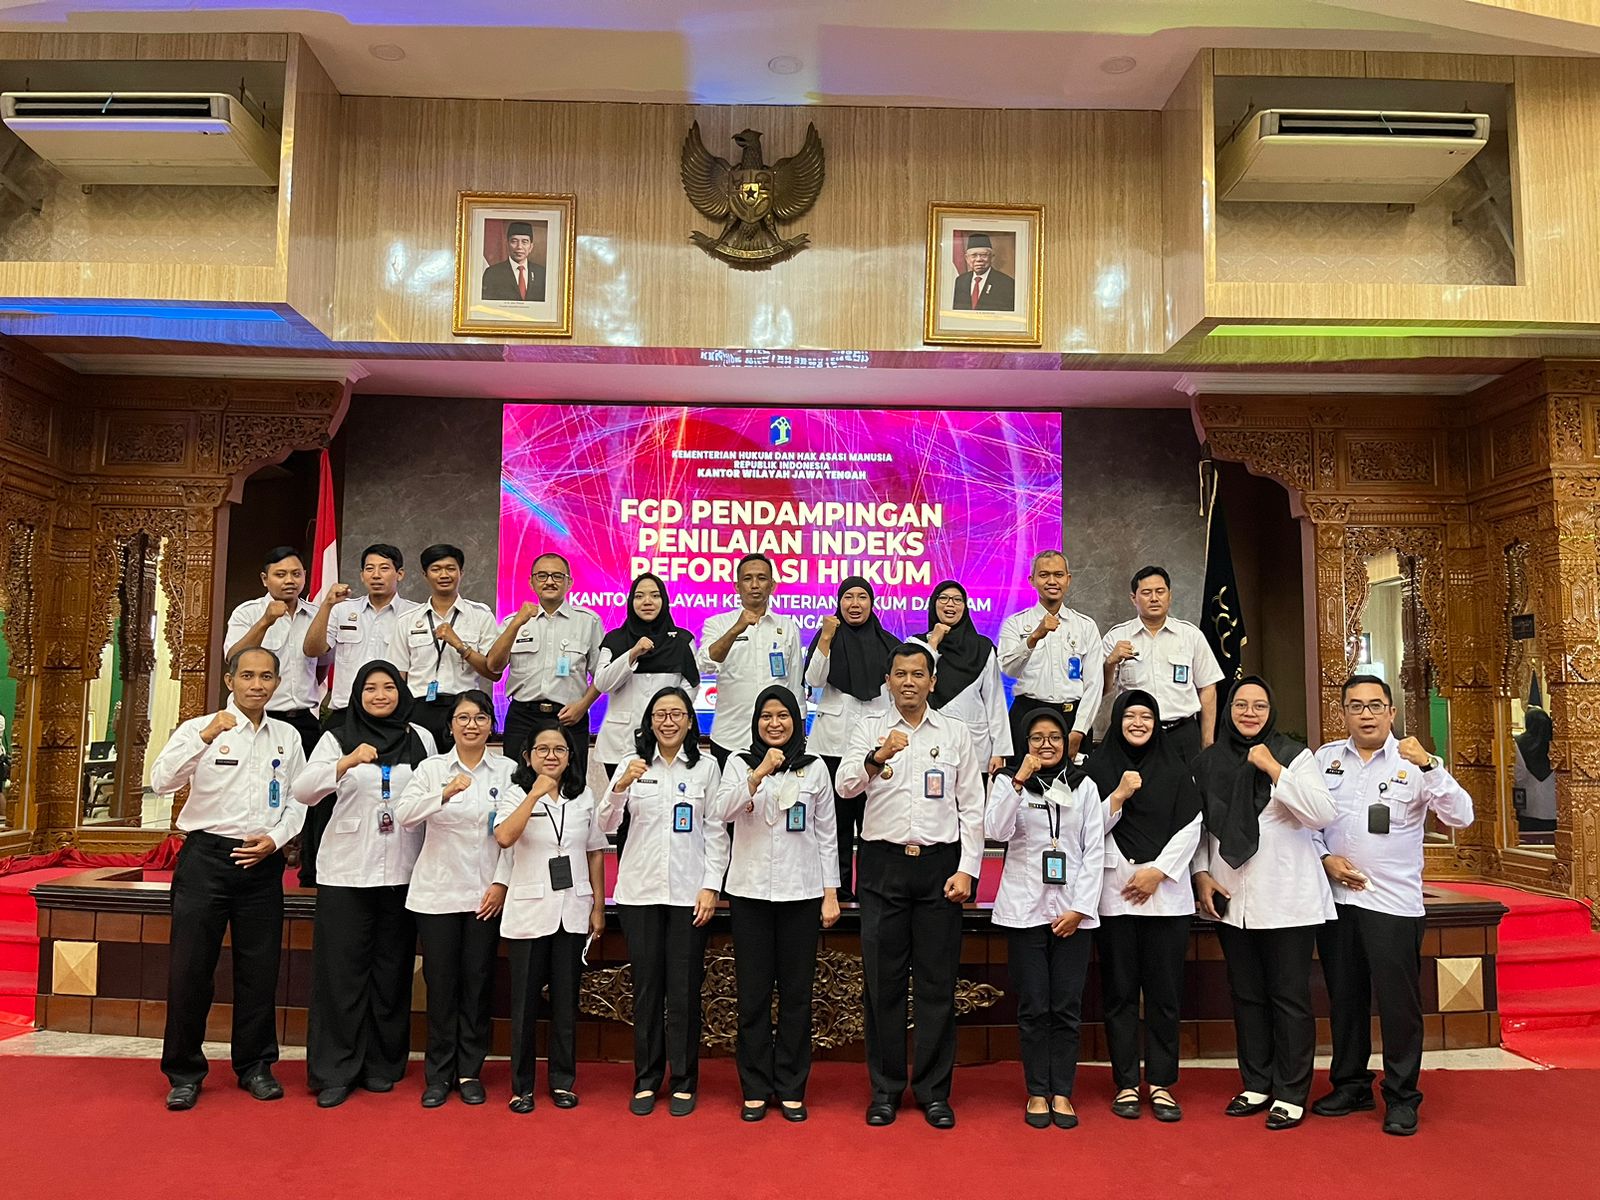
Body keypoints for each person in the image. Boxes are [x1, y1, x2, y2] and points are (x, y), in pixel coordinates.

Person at [1311, 674, 1474, 1136]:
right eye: (1356, 706)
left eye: (1375, 705)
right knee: (1345, 1000)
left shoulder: (1414, 762)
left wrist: (1430, 765)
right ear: (1343, 712)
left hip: (1392, 906)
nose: (1366, 714)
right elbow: (1306, 823)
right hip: (1337, 902)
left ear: (1391, 712)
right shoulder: (1326, 759)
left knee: (1399, 1006)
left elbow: (1461, 815)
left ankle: (1402, 1096)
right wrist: (1325, 859)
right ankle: (1350, 1085)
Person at [152, 647, 307, 1110]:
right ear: (230, 680)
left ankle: (255, 1066)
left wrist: (276, 840)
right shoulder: (200, 728)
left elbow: (299, 799)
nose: (257, 685)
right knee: (191, 970)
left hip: (262, 864)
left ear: (277, 683)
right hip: (207, 860)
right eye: (248, 676)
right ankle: (184, 1072)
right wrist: (204, 737)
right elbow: (161, 781)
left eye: (266, 677)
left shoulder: (287, 737)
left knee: (259, 971)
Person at [837, 643, 983, 1130]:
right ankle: (885, 1090)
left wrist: (968, 869)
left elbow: (972, 806)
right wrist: (876, 757)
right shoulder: (868, 728)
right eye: (900, 674)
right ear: (888, 681)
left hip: (940, 869)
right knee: (883, 984)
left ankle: (934, 1092)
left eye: (918, 674)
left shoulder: (955, 733)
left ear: (932, 682)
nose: (908, 682)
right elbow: (844, 786)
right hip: (883, 867)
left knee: (937, 985)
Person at [1191, 677, 1336, 1131]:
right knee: (1247, 995)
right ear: (1228, 710)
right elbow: (1200, 827)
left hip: (1288, 897)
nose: (1249, 713)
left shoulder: (1295, 756)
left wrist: (1274, 769)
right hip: (1232, 896)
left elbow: (1321, 814)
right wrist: (1201, 874)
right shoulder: (1208, 762)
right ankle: (1256, 1083)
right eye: (1240, 705)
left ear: (1270, 711)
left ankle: (1291, 1092)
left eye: (1259, 705)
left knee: (1288, 997)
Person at [292, 660, 435, 1108]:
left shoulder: (420, 737)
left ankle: (381, 1064)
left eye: (388, 687)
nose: (379, 695)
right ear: (357, 695)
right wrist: (346, 762)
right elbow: (304, 790)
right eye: (370, 688)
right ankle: (335, 1069)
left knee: (392, 970)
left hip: (403, 871)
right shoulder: (337, 736)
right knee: (342, 972)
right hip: (347, 872)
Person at [598, 686, 728, 1117]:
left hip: (689, 894)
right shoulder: (631, 766)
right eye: (660, 714)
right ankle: (647, 1079)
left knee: (684, 990)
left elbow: (715, 831)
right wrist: (620, 787)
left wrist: (711, 886)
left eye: (676, 714)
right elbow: (603, 823)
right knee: (648, 990)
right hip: (640, 893)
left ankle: (685, 1081)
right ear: (649, 722)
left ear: (690, 721)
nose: (668, 721)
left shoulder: (707, 768)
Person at [716, 685, 841, 1122]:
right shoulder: (738, 763)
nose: (774, 723)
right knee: (752, 995)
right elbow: (721, 811)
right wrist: (758, 775)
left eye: (783, 716)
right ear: (755, 723)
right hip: (749, 894)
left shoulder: (815, 768)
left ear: (796, 722)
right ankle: (754, 1087)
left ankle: (790, 1086)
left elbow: (827, 833)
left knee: (796, 996)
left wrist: (830, 892)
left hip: (801, 893)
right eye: (766, 716)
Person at [1085, 690, 1202, 1123]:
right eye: (1129, 715)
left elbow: (1193, 825)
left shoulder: (1177, 769)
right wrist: (1117, 796)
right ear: (1117, 721)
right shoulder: (1098, 770)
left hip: (1166, 899)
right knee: (1118, 995)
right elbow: (1086, 828)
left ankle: (1162, 1083)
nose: (1138, 723)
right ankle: (1126, 1084)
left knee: (1164, 996)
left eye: (1146, 716)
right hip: (1115, 896)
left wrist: (1158, 871)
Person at [985, 707, 1104, 1130]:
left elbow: (1094, 850)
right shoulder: (1007, 781)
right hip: (1024, 910)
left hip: (1072, 910)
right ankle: (1037, 1090)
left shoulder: (1084, 785)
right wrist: (1019, 780)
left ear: (1066, 742)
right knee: (1034, 1005)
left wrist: (1080, 909)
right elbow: (995, 831)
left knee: (1067, 1006)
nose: (1046, 744)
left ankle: (1063, 1091)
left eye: (1054, 737)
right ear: (1026, 743)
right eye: (1037, 738)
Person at [395, 690, 512, 1109]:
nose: (471, 725)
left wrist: (501, 883)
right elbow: (406, 816)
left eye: (480, 717)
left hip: (485, 894)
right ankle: (439, 1073)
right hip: (438, 893)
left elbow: (516, 834)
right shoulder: (432, 769)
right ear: (450, 726)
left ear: (491, 725)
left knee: (477, 982)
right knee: (441, 984)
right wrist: (443, 793)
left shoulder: (508, 771)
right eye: (463, 718)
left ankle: (469, 1071)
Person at [494, 724, 608, 1113]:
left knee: (565, 1002)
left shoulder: (583, 796)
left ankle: (562, 1082)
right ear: (528, 757)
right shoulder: (515, 793)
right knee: (524, 1004)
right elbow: (504, 837)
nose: (551, 756)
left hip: (572, 910)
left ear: (570, 757)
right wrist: (534, 795)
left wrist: (597, 906)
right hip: (529, 910)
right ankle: (522, 1087)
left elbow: (595, 850)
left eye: (559, 749)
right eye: (542, 749)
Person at [299, 543, 418, 886]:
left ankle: (397, 869)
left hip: (392, 716)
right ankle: (314, 873)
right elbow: (312, 649)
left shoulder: (413, 614)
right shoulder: (342, 610)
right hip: (344, 715)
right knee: (326, 791)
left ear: (400, 574)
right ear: (362, 574)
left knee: (390, 791)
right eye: (369, 568)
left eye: (384, 568)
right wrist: (326, 605)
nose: (376, 575)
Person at [802, 576, 897, 901]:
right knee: (835, 824)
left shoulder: (888, 643)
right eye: (848, 597)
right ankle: (837, 889)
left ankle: (871, 889)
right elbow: (814, 679)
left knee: (873, 822)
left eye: (862, 597)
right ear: (839, 602)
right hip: (831, 747)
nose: (855, 604)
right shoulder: (826, 638)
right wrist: (826, 638)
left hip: (875, 751)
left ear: (872, 603)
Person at [487, 552, 603, 778]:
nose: (550, 581)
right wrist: (517, 623)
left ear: (569, 582)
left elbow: (602, 674)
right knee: (517, 782)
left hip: (570, 716)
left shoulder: (588, 621)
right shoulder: (514, 621)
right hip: (523, 716)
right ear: (531, 582)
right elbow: (494, 666)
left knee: (572, 783)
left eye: (557, 576)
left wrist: (583, 706)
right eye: (542, 576)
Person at [1102, 566, 1224, 763]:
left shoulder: (1190, 635)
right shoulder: (1117, 637)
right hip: (1136, 733)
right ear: (1133, 598)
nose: (1154, 598)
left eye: (1160, 591)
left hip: (1182, 733)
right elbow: (1103, 690)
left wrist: (1207, 741)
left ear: (1170, 595)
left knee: (1186, 783)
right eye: (1146, 593)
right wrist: (1110, 662)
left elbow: (1208, 687)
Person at [387, 544, 500, 751]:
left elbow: (493, 672)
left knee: (462, 767)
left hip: (464, 710)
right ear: (425, 575)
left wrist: (460, 645)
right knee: (419, 766)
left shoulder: (481, 616)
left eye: (450, 568)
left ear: (461, 573)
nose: (444, 575)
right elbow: (398, 675)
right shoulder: (408, 620)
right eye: (436, 569)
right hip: (418, 708)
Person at [592, 572, 699, 789]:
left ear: (664, 601)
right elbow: (602, 683)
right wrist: (633, 653)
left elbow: (691, 684)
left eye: (655, 595)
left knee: (660, 802)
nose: (647, 601)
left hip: (666, 738)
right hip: (620, 743)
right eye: (639, 596)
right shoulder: (614, 639)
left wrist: (670, 716)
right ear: (631, 602)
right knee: (620, 802)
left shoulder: (682, 640)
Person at [223, 546, 330, 756]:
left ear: (304, 575)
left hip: (303, 721)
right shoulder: (247, 613)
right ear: (265, 579)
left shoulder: (316, 616)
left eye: (296, 574)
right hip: (257, 717)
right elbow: (234, 658)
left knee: (305, 777)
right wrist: (265, 621)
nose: (289, 580)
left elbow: (322, 665)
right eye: (280, 575)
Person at [699, 554, 804, 766]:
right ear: (737, 586)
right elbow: (705, 664)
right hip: (730, 736)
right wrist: (736, 629)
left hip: (776, 737)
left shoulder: (788, 626)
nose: (755, 585)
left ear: (772, 585)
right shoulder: (718, 623)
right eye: (747, 579)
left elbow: (795, 686)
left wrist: (798, 733)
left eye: (762, 578)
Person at [999, 551, 1104, 759]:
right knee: (1024, 777)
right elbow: (1009, 669)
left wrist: (1079, 730)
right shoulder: (1015, 623)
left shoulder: (1085, 626)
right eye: (1044, 575)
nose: (1052, 581)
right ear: (1032, 580)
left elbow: (1094, 684)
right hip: (1027, 715)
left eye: (1058, 574)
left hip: (1071, 717)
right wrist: (1034, 637)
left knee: (1074, 778)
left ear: (1068, 579)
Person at [915, 579, 1011, 773]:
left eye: (957, 600)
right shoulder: (916, 645)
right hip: (928, 739)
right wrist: (933, 642)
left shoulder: (982, 648)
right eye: (943, 598)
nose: (950, 604)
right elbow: (918, 682)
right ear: (933, 604)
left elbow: (995, 701)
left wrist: (1000, 751)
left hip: (975, 745)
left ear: (965, 607)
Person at [1513, 707, 1556, 836]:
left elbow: (1518, 776)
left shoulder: (1519, 743)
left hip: (1529, 806)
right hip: (1554, 808)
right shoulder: (1557, 742)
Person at [481, 220, 546, 301]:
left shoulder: (542, 273)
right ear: (507, 244)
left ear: (531, 247)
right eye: (514, 241)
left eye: (524, 242)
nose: (519, 247)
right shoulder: (492, 273)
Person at [950, 232, 1015, 311]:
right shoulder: (960, 281)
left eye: (984, 255)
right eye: (974, 255)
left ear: (992, 257)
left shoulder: (1007, 283)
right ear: (967, 258)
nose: (978, 259)